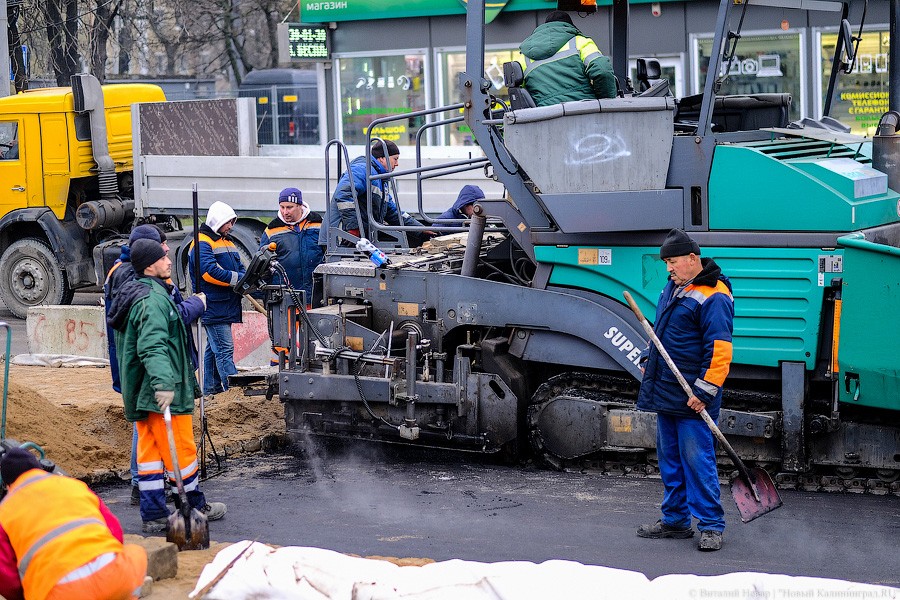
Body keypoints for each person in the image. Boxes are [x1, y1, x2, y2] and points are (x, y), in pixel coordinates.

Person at [106, 238, 226, 534]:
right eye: (163, 257)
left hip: (143, 392)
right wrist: (163, 384)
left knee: (149, 454)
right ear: (150, 265)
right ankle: (194, 506)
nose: (169, 261)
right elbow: (153, 346)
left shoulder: (140, 293)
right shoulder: (152, 301)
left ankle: (155, 513)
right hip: (161, 390)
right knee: (182, 450)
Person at [635, 229, 734, 552]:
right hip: (668, 390)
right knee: (671, 461)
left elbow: (719, 350)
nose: (668, 269)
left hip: (694, 397)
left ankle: (711, 526)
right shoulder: (675, 287)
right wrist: (649, 357)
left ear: (693, 259)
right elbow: (661, 328)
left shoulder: (714, 295)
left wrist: (703, 393)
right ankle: (675, 521)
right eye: (666, 263)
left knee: (697, 461)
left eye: (673, 262)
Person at [0, 448, 149, 600]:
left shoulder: (5, 510)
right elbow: (114, 531)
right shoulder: (74, 485)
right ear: (39, 468)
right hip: (114, 578)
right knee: (136, 553)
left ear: (7, 484)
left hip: (60, 593)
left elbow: (5, 576)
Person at [188, 201, 246, 398]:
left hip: (225, 305)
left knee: (214, 350)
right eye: (228, 222)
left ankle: (211, 390)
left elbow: (240, 267)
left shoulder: (226, 241)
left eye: (232, 222)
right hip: (213, 305)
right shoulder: (202, 241)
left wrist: (244, 278)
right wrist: (238, 280)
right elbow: (207, 272)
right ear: (217, 221)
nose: (231, 226)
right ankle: (233, 393)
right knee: (224, 349)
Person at [329, 140, 430, 246]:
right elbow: (343, 194)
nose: (397, 164)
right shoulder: (362, 169)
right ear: (382, 158)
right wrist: (353, 228)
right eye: (395, 159)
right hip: (349, 237)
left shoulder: (380, 178)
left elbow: (393, 212)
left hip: (362, 238)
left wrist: (419, 229)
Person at [517, 11, 617, 107]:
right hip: (586, 114)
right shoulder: (579, 42)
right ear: (569, 26)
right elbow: (603, 70)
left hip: (546, 120)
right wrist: (606, 102)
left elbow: (521, 96)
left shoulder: (525, 58)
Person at [259, 187, 325, 306]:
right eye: (282, 207)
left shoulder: (319, 224)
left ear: (300, 205)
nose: (285, 212)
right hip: (285, 298)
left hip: (315, 296)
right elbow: (263, 267)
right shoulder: (271, 231)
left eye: (289, 207)